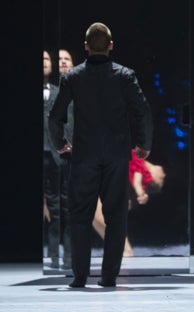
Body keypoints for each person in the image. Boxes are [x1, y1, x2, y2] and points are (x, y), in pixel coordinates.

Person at [49, 22, 153, 288]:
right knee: (116, 216)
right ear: (110, 46)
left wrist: (59, 143)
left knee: (80, 215)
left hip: (84, 155)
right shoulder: (124, 75)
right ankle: (108, 277)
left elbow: (56, 115)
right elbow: (142, 110)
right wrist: (144, 144)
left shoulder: (73, 77)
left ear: (85, 47)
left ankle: (80, 276)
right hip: (117, 155)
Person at [92, 151, 166, 257]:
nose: (163, 174)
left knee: (97, 211)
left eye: (161, 178)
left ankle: (124, 249)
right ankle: (119, 248)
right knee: (94, 213)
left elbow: (137, 183)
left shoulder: (140, 167)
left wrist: (141, 193)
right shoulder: (138, 162)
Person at [43, 50, 73, 270]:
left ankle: (68, 257)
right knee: (54, 207)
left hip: (67, 155)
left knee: (67, 206)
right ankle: (54, 256)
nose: (62, 62)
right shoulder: (54, 92)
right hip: (49, 154)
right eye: (59, 59)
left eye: (67, 59)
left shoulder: (75, 92)